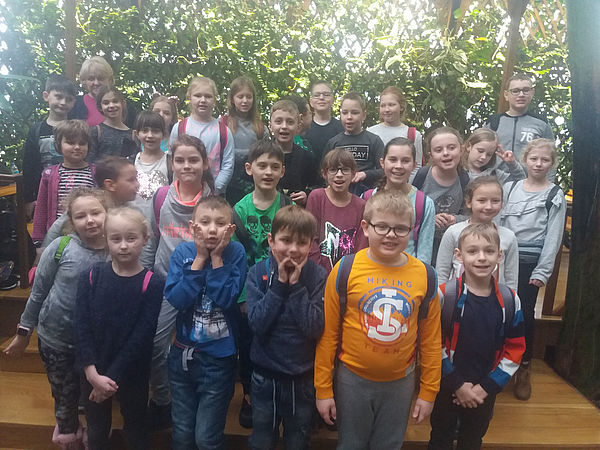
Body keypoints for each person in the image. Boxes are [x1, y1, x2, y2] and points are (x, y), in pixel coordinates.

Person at [315, 190, 441, 449]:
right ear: (365, 227)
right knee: (351, 444)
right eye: (381, 226)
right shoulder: (345, 270)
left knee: (389, 444)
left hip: (400, 383)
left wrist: (429, 391)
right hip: (351, 380)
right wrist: (323, 389)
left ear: (411, 231)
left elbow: (430, 341)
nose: (390, 235)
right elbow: (328, 335)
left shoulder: (425, 276)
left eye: (400, 229)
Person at [3, 188, 108, 449]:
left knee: (92, 396)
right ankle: (69, 436)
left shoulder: (116, 249)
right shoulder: (60, 248)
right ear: (71, 220)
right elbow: (38, 293)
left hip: (96, 343)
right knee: (64, 395)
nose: (90, 220)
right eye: (81, 216)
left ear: (107, 213)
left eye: (96, 213)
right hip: (56, 339)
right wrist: (23, 333)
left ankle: (95, 436)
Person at [428, 223, 525, 450]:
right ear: (459, 255)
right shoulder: (445, 295)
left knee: (472, 440)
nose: (481, 258)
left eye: (489, 251)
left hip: (485, 390)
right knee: (440, 438)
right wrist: (457, 384)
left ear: (499, 256)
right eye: (472, 251)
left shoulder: (510, 300)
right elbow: (431, 344)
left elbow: (515, 348)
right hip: (447, 386)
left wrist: (487, 387)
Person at [140, 134, 215, 428]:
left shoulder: (213, 201)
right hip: (165, 282)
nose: (186, 166)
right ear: (171, 163)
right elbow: (151, 239)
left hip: (200, 285)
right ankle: (162, 400)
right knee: (157, 345)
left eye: (193, 160)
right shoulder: (161, 197)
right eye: (180, 160)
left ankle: (198, 398)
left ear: (205, 163)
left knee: (200, 347)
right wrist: (144, 277)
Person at [74, 207, 164, 449]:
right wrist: (92, 373)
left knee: (136, 427)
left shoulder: (152, 283)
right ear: (106, 240)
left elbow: (142, 335)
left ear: (145, 239)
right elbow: (81, 325)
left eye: (131, 238)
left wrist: (111, 377)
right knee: (97, 429)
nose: (123, 246)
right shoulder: (90, 276)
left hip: (132, 371)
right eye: (116, 239)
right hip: (93, 370)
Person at [165, 196, 246, 449]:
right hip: (182, 357)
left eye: (220, 224)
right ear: (192, 227)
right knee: (182, 434)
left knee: (206, 438)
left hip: (218, 361)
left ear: (230, 229)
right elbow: (178, 299)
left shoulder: (236, 253)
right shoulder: (183, 253)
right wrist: (200, 259)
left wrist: (217, 258)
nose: (212, 229)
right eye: (205, 222)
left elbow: (226, 298)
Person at [245, 205, 326, 449]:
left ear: (311, 245)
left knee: (297, 441)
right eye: (286, 240)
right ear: (271, 241)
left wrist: (297, 287)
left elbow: (314, 328)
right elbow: (257, 324)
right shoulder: (257, 273)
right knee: (262, 440)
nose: (293, 249)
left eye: (301, 242)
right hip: (264, 377)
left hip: (302, 380)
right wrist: (280, 285)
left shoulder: (318, 276)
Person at [499, 138, 566, 401]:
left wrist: (543, 270)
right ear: (525, 160)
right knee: (498, 309)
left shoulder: (554, 194)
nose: (538, 164)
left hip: (529, 264)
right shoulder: (510, 187)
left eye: (545, 160)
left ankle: (523, 367)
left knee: (524, 314)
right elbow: (498, 220)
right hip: (503, 260)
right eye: (534, 158)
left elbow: (554, 235)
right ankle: (497, 362)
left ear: (552, 163)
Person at [232, 139, 291, 429]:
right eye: (262, 165)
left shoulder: (288, 206)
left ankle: (281, 395)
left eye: (274, 167)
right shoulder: (239, 211)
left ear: (282, 171)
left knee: (280, 342)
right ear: (249, 168)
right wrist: (243, 297)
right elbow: (235, 258)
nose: (268, 172)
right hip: (250, 292)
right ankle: (249, 396)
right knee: (248, 345)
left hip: (283, 288)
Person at [436, 176, 519, 290]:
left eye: (495, 201)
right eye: (482, 200)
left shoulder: (508, 237)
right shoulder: (453, 232)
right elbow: (442, 272)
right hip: (458, 298)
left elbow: (511, 280)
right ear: (469, 202)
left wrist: (510, 298)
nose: (489, 206)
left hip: (495, 299)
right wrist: (441, 297)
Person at [363, 137, 435, 264]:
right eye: (392, 160)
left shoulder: (424, 204)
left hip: (408, 272)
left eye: (405, 161)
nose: (398, 166)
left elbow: (425, 251)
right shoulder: (366, 198)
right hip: (371, 270)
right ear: (382, 163)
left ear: (414, 165)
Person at [41, 156, 140, 248]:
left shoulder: (134, 210)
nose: (137, 185)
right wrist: (44, 252)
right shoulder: (87, 204)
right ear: (110, 185)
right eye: (131, 180)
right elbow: (55, 230)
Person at [32, 120, 96, 246]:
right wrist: (38, 239)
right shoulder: (49, 174)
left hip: (88, 233)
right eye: (70, 142)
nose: (77, 147)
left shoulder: (95, 172)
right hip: (57, 235)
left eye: (82, 143)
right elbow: (41, 207)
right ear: (58, 145)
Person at [412, 126, 470, 263]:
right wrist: (429, 218)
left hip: (452, 245)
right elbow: (408, 209)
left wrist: (455, 219)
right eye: (438, 150)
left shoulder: (464, 179)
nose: (445, 153)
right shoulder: (422, 175)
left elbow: (470, 216)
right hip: (422, 243)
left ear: (461, 150)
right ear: (431, 155)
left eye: (451, 148)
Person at [22, 75, 77, 219]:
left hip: (73, 194)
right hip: (44, 195)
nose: (63, 102)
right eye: (58, 97)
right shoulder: (37, 130)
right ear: (46, 96)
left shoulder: (78, 129)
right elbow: (29, 166)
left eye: (68, 99)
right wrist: (29, 199)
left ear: (74, 102)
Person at [306, 148, 368, 273]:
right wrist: (319, 272)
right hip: (318, 273)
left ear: (354, 174)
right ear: (324, 173)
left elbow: (361, 246)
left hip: (348, 274)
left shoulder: (361, 205)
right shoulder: (316, 197)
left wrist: (350, 273)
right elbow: (310, 238)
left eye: (345, 170)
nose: (339, 174)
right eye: (333, 170)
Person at [169, 76, 234, 194]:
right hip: (182, 194)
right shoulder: (179, 128)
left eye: (208, 96)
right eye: (198, 95)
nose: (203, 100)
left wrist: (214, 190)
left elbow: (228, 165)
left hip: (214, 194)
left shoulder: (224, 131)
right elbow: (172, 159)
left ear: (215, 100)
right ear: (189, 98)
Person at [484, 74, 554, 175]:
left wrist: (548, 184)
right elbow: (480, 153)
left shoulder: (542, 124)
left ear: (532, 93)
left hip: (530, 181)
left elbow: (551, 156)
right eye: (515, 91)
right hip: (495, 181)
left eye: (526, 90)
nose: (521, 94)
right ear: (506, 95)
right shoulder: (493, 122)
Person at [323, 92, 385, 189]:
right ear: (340, 114)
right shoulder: (333, 143)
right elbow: (324, 171)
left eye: (355, 113)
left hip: (366, 193)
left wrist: (365, 174)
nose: (349, 117)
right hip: (339, 192)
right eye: (345, 113)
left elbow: (384, 170)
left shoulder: (374, 140)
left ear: (364, 115)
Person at [223, 76, 268, 206]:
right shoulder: (223, 124)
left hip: (252, 183)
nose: (245, 101)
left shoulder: (260, 128)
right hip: (228, 183)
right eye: (240, 96)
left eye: (249, 97)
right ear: (232, 99)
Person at [367, 86, 424, 173]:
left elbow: (417, 166)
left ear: (401, 107)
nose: (387, 109)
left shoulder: (413, 135)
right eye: (383, 106)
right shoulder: (370, 133)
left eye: (391, 105)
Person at [69, 55, 137, 128]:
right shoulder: (75, 105)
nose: (96, 83)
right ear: (84, 81)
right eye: (91, 79)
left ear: (109, 80)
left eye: (100, 78)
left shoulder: (124, 105)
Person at [270, 99, 316, 206]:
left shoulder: (307, 157)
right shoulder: (261, 154)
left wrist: (307, 194)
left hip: (297, 211)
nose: (284, 126)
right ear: (270, 125)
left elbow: (318, 184)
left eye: (290, 122)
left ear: (298, 126)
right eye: (278, 121)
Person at [132, 111, 170, 209]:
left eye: (155, 131)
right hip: (133, 216)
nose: (150, 135)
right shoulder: (130, 162)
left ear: (163, 135)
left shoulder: (170, 162)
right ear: (137, 134)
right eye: (145, 130)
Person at [89, 85, 137, 162]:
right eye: (106, 103)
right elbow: (89, 161)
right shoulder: (96, 131)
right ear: (100, 107)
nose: (111, 105)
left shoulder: (132, 135)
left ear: (123, 104)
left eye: (115, 101)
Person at [305, 80, 344, 164]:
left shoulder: (342, 128)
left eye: (326, 95)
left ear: (333, 100)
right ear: (311, 102)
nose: (321, 98)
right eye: (317, 95)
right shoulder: (303, 128)